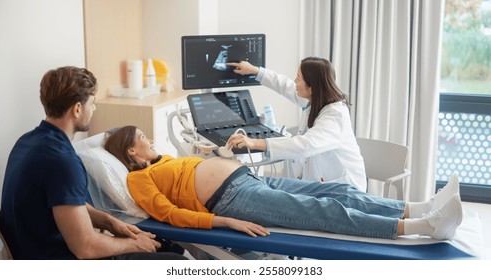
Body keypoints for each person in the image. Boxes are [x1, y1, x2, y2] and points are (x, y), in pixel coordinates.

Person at [104, 125, 463, 241]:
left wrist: (222, 154)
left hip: (247, 180)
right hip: (230, 202)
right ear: (130, 153)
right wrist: (224, 221)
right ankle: (425, 227)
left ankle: (419, 206)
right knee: (324, 210)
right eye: (141, 137)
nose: (148, 137)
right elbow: (169, 215)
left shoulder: (163, 160)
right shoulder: (139, 178)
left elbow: (193, 174)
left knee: (339, 190)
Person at [0, 66, 186, 260]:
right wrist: (134, 244)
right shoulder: (63, 162)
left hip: (30, 251)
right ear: (77, 109)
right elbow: (86, 247)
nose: (94, 108)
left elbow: (65, 202)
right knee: (177, 263)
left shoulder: (27, 142)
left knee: (166, 248)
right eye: (92, 103)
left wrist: (110, 223)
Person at [226, 58, 367, 191]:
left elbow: (306, 144)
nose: (294, 82)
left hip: (345, 189)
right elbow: (284, 85)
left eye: (298, 78)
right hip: (320, 184)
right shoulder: (315, 99)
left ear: (311, 87)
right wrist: (255, 70)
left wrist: (256, 143)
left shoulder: (335, 115)